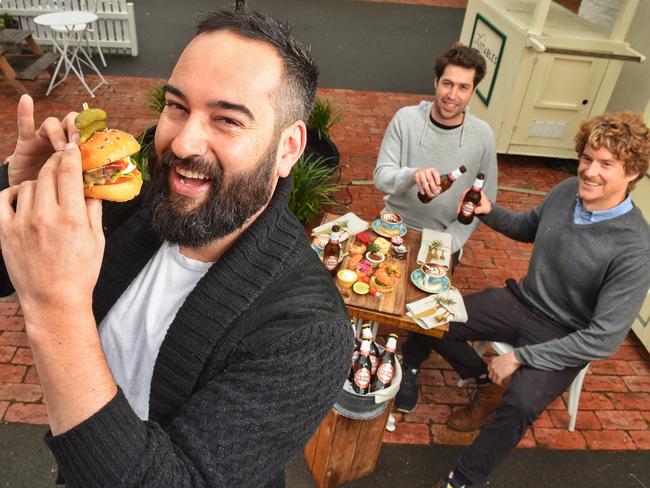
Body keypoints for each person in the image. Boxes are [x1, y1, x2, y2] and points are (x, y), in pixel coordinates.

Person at [0, 8, 353, 488]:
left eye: (227, 119)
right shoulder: (130, 204)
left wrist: (55, 308)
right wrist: (21, 192)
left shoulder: (308, 334)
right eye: (177, 106)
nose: (184, 142)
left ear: (288, 149)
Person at [427, 112, 650, 488]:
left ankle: (463, 480)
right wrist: (489, 211)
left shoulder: (635, 248)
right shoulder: (566, 191)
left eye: (606, 164)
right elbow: (529, 227)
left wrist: (519, 358)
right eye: (586, 159)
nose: (589, 171)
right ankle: (486, 384)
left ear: (632, 173)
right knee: (430, 318)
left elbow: (603, 339)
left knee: (522, 403)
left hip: (566, 334)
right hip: (523, 301)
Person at [373, 43, 498, 413]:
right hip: (394, 225)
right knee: (379, 296)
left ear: (473, 91)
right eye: (447, 84)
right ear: (435, 81)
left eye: (463, 87)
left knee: (427, 312)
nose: (452, 95)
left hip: (442, 236)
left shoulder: (482, 136)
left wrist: (453, 242)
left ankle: (409, 363)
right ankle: (370, 353)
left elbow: (484, 197)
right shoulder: (406, 120)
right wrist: (411, 175)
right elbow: (380, 177)